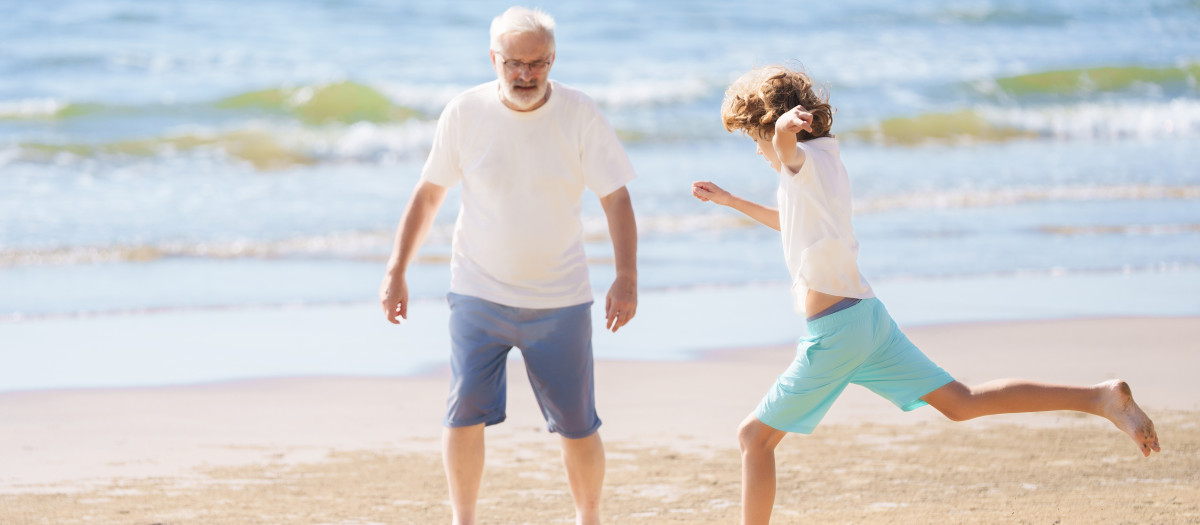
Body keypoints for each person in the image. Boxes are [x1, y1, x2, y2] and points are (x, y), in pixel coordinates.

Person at [691, 64, 1160, 525]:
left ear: (777, 125)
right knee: (962, 402)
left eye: (755, 140)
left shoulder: (797, 158)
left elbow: (784, 148)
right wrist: (730, 200)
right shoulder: (825, 164)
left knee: (754, 438)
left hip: (837, 332)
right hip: (867, 320)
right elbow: (790, 222)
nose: (758, 152)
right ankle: (1099, 398)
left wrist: (782, 133)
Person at [378, 7, 637, 525]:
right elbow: (429, 195)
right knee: (463, 411)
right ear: (494, 58)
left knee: (577, 423)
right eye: (514, 64)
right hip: (477, 291)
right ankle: (464, 518)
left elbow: (616, 198)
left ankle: (589, 518)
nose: (525, 75)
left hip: (559, 297)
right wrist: (396, 268)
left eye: (536, 63)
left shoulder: (580, 113)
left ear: (552, 58)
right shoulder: (464, 111)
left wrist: (626, 276)